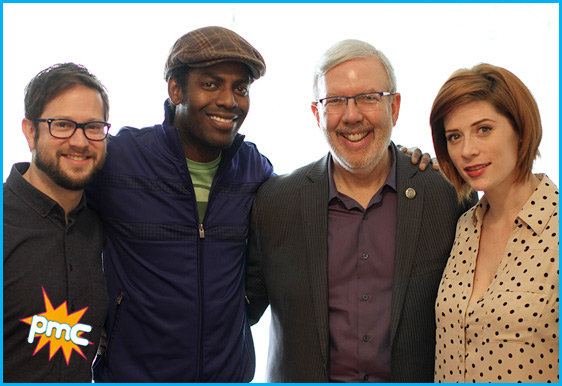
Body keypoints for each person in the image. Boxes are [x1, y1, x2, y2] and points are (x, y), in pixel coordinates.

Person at [245, 39, 478, 382]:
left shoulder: (446, 195)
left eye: (369, 97)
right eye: (335, 101)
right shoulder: (275, 202)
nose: (352, 115)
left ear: (394, 108)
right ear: (317, 113)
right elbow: (239, 310)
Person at [86, 26, 273, 382]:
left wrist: (400, 163)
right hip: (134, 374)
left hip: (228, 374)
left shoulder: (255, 168)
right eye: (211, 84)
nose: (230, 100)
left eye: (240, 88)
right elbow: (61, 226)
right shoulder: (120, 158)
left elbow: (276, 243)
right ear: (175, 89)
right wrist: (91, 317)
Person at [430, 63, 559, 383]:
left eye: (484, 129)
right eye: (454, 136)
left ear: (520, 128)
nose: (467, 151)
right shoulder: (464, 228)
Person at [3, 63, 110, 382]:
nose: (80, 142)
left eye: (93, 127)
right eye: (62, 125)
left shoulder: (104, 229)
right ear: (30, 131)